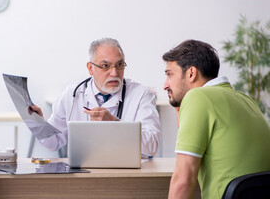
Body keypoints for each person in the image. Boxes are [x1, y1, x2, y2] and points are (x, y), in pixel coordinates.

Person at [162, 39, 270, 198]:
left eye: (169, 74)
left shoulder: (198, 97)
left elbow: (183, 180)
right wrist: (180, 108)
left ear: (191, 73)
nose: (165, 85)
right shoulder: (246, 100)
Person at [31, 38, 161, 157]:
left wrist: (115, 124)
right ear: (90, 68)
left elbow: (152, 146)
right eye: (105, 66)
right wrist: (38, 123)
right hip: (84, 174)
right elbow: (53, 142)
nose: (114, 73)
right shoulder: (72, 94)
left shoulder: (141, 94)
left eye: (119, 65)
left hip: (128, 175)